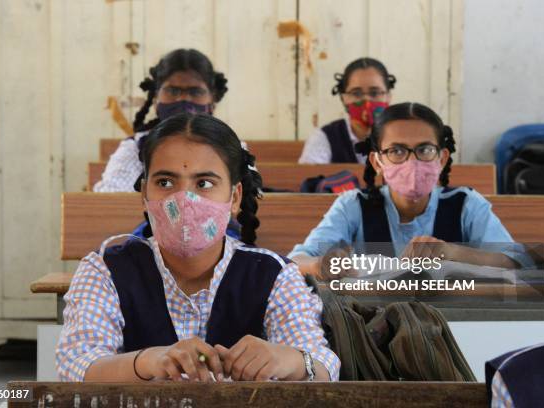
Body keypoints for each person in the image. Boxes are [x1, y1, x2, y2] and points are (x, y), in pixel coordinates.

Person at [57, 113, 340, 382]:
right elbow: (76, 366)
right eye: (165, 182)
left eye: (204, 183)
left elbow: (323, 364)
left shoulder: (274, 275)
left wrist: (287, 360)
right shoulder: (105, 270)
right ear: (144, 195)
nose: (185, 199)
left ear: (234, 196)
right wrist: (150, 361)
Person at [290, 102, 531, 278]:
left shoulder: (465, 204)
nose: (411, 163)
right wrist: (320, 265)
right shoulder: (353, 205)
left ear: (443, 158)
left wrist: (452, 252)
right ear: (377, 162)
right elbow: (295, 260)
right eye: (396, 151)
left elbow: (517, 262)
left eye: (424, 150)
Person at [93, 48, 228, 192]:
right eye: (172, 91)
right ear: (156, 98)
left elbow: (247, 200)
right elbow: (111, 199)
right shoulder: (136, 148)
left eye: (195, 92)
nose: (183, 99)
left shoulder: (229, 148)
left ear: (212, 101)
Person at [298, 57, 395, 164]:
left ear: (388, 96)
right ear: (344, 98)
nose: (367, 100)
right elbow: (308, 177)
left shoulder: (404, 135)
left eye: (374, 93)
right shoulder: (325, 137)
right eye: (356, 93)